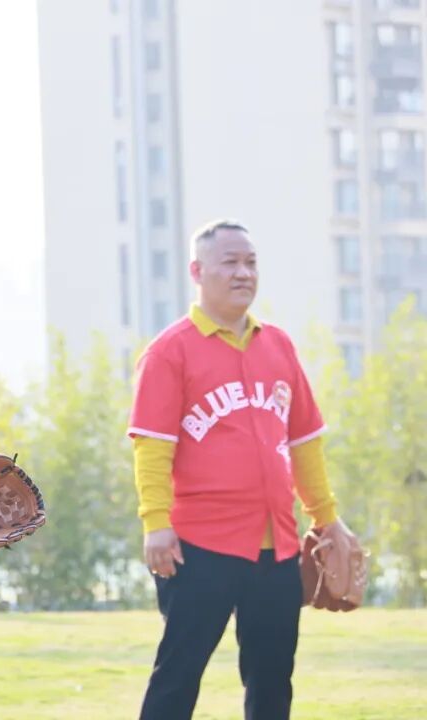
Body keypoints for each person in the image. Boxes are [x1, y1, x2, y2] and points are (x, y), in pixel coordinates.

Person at [127, 220, 360, 720]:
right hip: (198, 545)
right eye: (230, 262)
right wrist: (155, 523)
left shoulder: (278, 345)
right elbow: (152, 447)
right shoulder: (169, 351)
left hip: (277, 545)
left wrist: (327, 518)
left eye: (251, 262)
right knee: (178, 674)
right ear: (197, 271)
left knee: (272, 678)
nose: (243, 273)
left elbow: (304, 441)